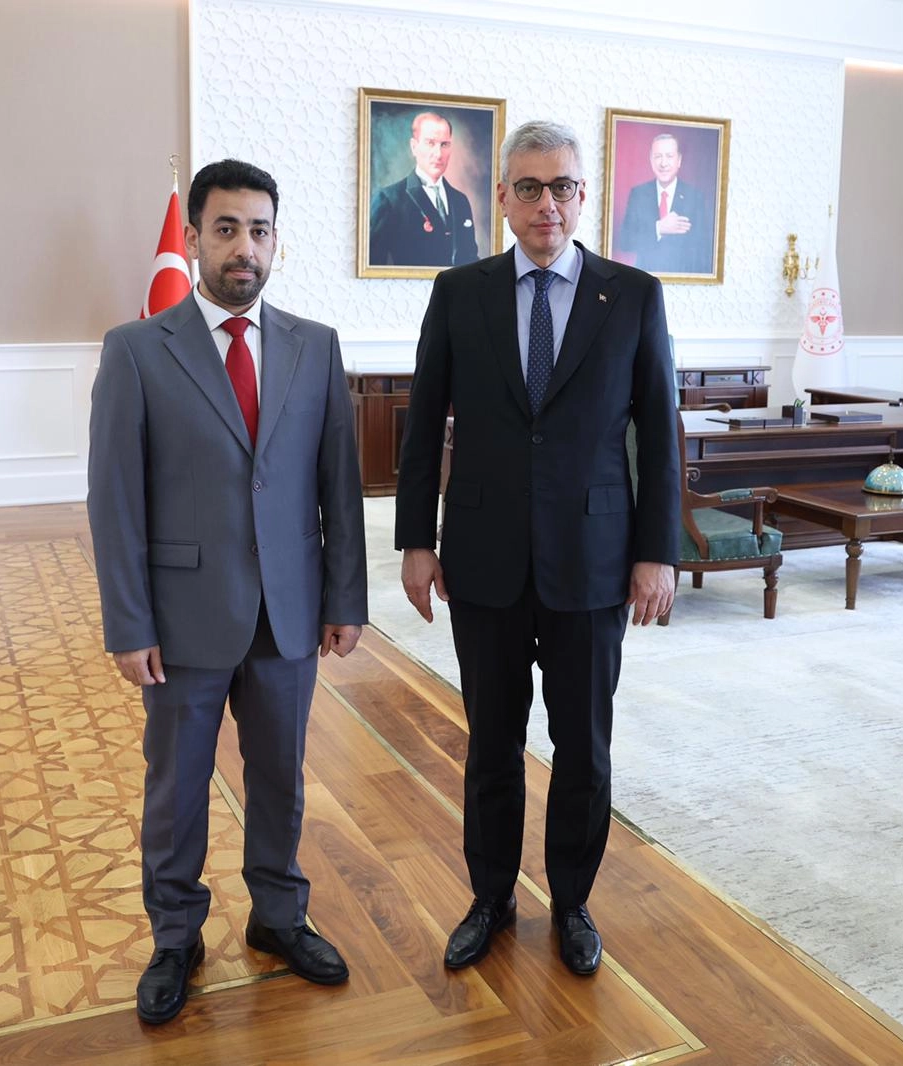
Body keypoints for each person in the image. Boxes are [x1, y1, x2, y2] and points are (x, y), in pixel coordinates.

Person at [394, 121, 680, 977]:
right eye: (528, 187)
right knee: (491, 743)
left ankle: (573, 903)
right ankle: (490, 898)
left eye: (561, 187)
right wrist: (414, 541)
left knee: (584, 749)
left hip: (594, 561)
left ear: (583, 196)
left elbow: (658, 433)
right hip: (481, 560)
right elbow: (423, 428)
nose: (545, 203)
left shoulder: (633, 296)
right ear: (503, 198)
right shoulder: (460, 292)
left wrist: (658, 552)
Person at [87, 159, 368, 1025]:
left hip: (288, 612)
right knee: (177, 787)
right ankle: (176, 937)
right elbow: (114, 499)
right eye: (226, 229)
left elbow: (339, 486)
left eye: (259, 230)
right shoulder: (137, 350)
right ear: (194, 238)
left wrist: (344, 600)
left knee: (280, 776)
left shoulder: (315, 346)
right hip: (182, 619)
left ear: (276, 241)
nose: (244, 247)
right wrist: (128, 622)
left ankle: (279, 915)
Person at [369, 111, 481, 268]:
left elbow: (471, 260)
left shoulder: (460, 200)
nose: (438, 154)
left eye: (444, 144)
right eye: (430, 143)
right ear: (414, 147)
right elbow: (373, 265)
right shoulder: (388, 200)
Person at [617, 131, 714, 274]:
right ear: (651, 160)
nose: (663, 163)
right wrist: (659, 228)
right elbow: (625, 242)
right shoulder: (638, 194)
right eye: (658, 156)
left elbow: (703, 249)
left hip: (683, 277)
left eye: (669, 156)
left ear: (679, 160)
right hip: (646, 278)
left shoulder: (695, 197)